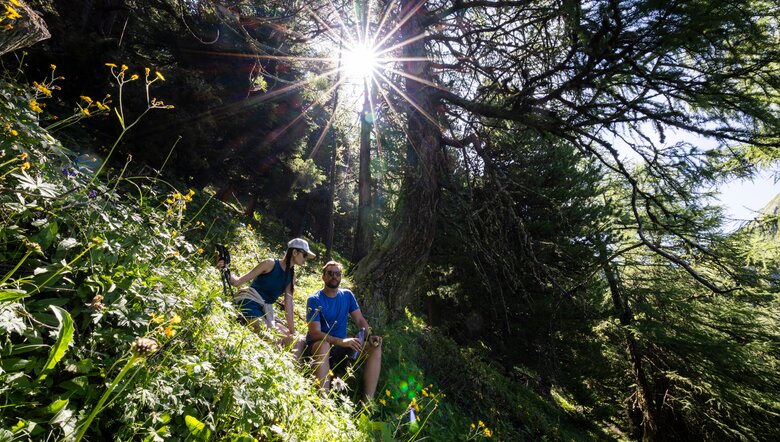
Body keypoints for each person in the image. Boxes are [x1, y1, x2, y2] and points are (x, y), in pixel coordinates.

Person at [218, 238, 314, 359]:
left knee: (298, 341)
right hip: (249, 301)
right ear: (294, 252)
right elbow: (237, 282)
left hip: (266, 311)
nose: (305, 259)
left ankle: (293, 367)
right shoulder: (269, 264)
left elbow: (288, 304)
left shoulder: (291, 275)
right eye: (304, 255)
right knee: (271, 338)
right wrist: (224, 269)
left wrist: (292, 331)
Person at [305, 261, 382, 398]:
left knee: (374, 348)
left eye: (337, 273)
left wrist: (370, 336)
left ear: (341, 276)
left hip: (341, 347)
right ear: (323, 276)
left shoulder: (347, 295)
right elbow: (315, 333)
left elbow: (360, 320)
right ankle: (322, 401)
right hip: (319, 346)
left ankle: (368, 403)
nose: (334, 276)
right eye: (330, 273)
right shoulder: (314, 300)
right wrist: (340, 341)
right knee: (324, 345)